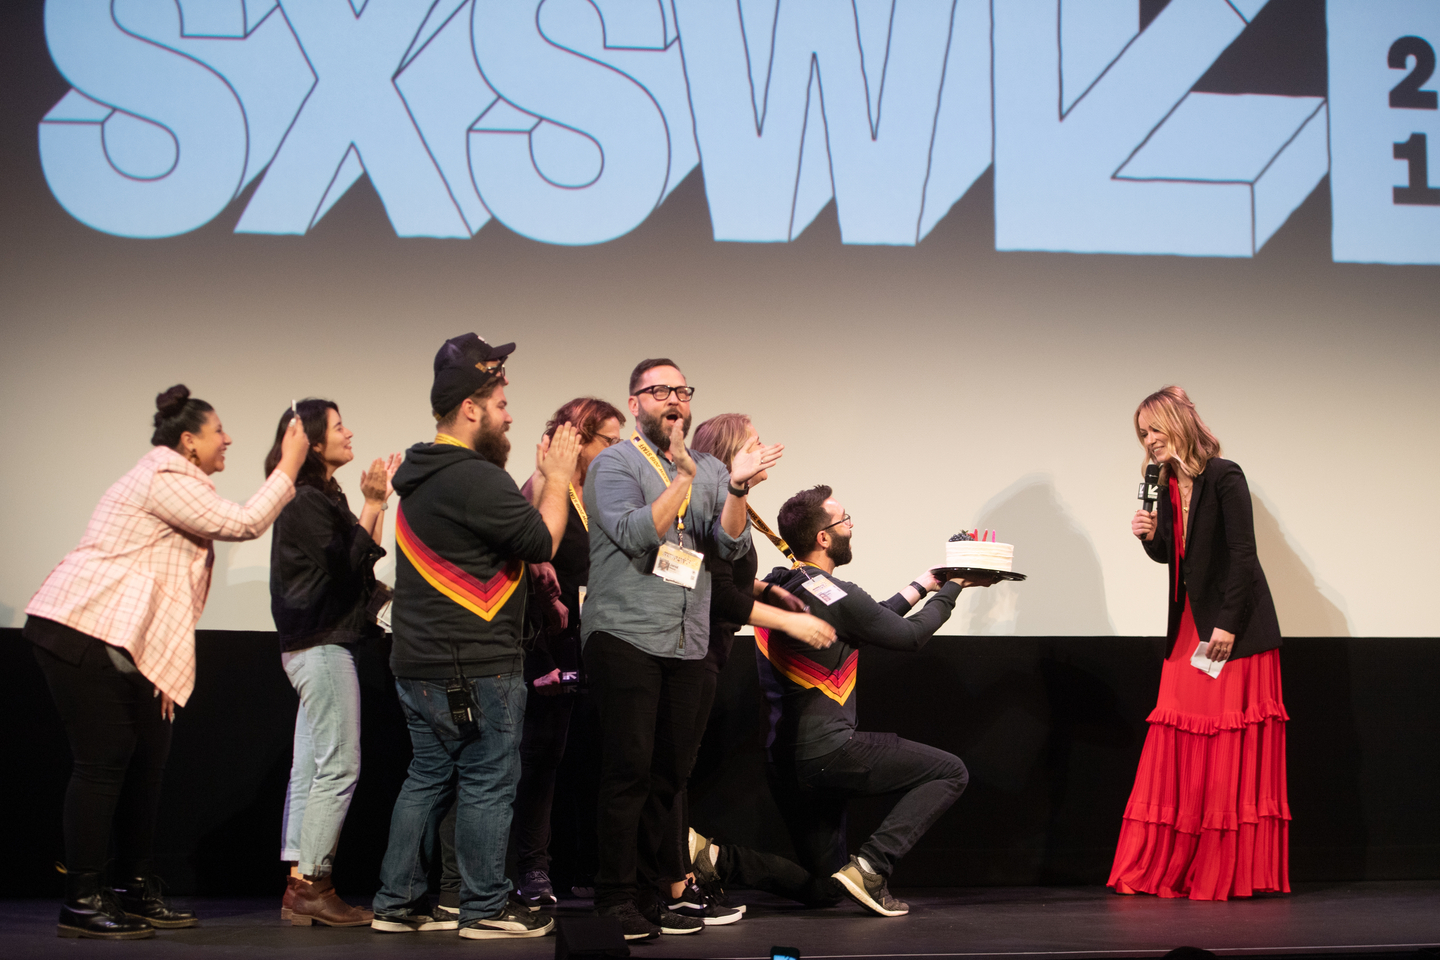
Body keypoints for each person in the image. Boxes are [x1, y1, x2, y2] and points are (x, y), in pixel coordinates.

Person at [24, 385, 308, 939]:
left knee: (147, 763)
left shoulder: (179, 482)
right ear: (188, 442)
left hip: (118, 640)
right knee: (102, 764)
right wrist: (289, 464)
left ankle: (134, 886)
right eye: (218, 431)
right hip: (82, 627)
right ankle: (81, 899)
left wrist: (156, 660)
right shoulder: (165, 476)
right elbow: (245, 522)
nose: (228, 439)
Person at [694, 484, 994, 918]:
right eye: (845, 520)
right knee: (950, 771)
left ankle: (717, 859)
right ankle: (873, 866)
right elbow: (906, 636)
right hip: (829, 752)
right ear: (823, 537)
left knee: (826, 889)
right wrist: (954, 589)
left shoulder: (783, 582)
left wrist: (927, 583)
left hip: (785, 762)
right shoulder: (835, 592)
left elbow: (872, 618)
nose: (852, 526)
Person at [370, 334, 579, 941]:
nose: (510, 414)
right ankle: (485, 909)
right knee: (490, 778)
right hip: (475, 663)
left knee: (427, 776)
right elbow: (541, 542)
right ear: (470, 408)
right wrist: (557, 478)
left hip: (418, 661)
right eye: (501, 402)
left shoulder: (422, 473)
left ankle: (398, 901)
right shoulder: (474, 476)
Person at [582, 359, 780, 940]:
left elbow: (728, 542)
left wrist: (736, 486)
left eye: (681, 391)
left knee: (668, 774)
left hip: (688, 638)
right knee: (629, 770)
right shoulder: (614, 463)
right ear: (636, 402)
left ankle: (649, 896)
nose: (674, 399)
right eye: (660, 390)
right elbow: (638, 534)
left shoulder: (713, 468)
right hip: (624, 633)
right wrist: (686, 478)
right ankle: (614, 898)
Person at [432, 398, 626, 915]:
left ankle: (538, 867)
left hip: (583, 641)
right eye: (611, 439)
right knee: (517, 760)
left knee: (552, 761)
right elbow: (529, 554)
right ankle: (489, 879)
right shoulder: (545, 486)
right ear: (579, 438)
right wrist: (549, 594)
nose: (619, 449)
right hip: (537, 642)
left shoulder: (601, 495)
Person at [1109, 386, 1289, 901]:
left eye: (1154, 430)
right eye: (1143, 436)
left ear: (1176, 424)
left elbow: (1242, 554)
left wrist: (1228, 625)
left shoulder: (1224, 476)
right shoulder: (1163, 482)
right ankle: (1176, 864)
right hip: (1188, 622)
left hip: (1232, 625)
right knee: (1180, 735)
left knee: (1226, 740)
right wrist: (1150, 536)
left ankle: (1226, 869)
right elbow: (1174, 555)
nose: (1148, 442)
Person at [655, 414, 836, 925]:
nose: (764, 450)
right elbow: (714, 593)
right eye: (753, 443)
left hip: (708, 650)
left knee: (678, 771)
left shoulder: (728, 506)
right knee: (673, 772)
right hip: (694, 648)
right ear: (731, 454)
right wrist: (787, 620)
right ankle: (675, 888)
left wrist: (768, 588)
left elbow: (727, 574)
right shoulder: (708, 501)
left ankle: (680, 881)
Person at [267, 399, 400, 926]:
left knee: (312, 766)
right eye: (340, 426)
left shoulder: (323, 497)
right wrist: (375, 505)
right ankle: (313, 882)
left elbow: (359, 578)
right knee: (339, 764)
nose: (350, 433)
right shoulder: (303, 501)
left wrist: (373, 503)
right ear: (314, 443)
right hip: (321, 645)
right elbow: (347, 573)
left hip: (318, 644)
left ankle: (300, 879)